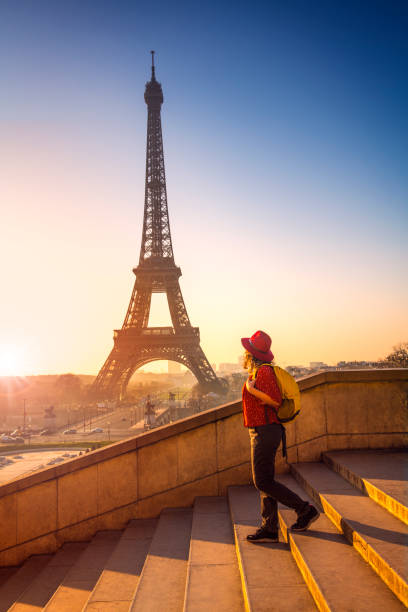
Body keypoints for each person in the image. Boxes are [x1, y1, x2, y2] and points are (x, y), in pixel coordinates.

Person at [241, 330, 319, 542]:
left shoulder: (264, 373)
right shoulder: (259, 372)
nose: (243, 355)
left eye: (246, 351)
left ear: (251, 354)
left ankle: (304, 509)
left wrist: (252, 390)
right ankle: (269, 527)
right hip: (262, 430)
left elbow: (275, 400)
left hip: (265, 430)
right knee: (266, 480)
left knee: (262, 481)